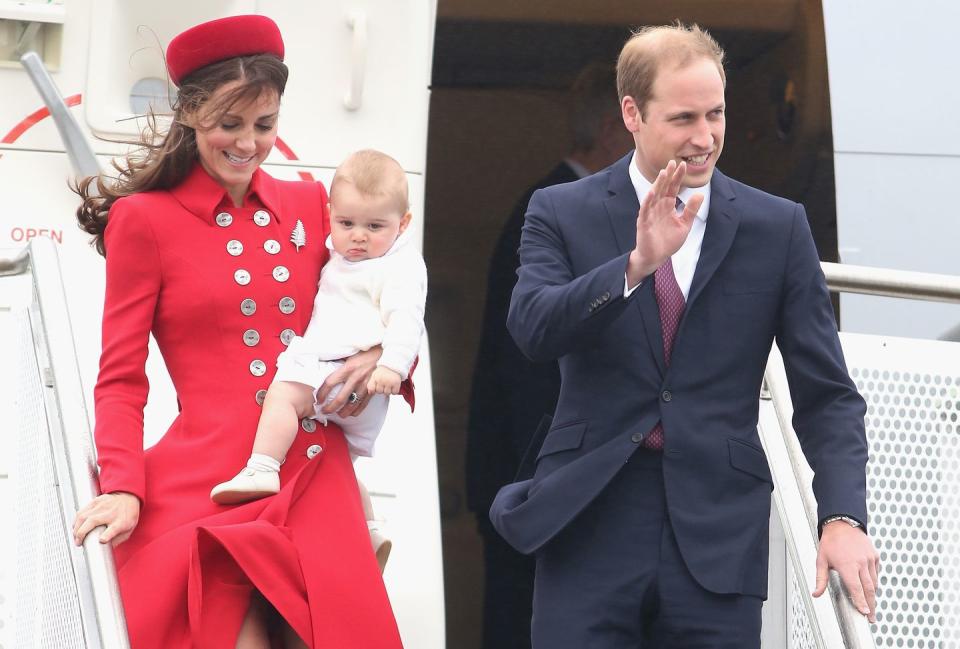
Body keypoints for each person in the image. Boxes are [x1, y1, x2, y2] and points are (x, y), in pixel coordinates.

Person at [489, 23, 879, 648]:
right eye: (683, 118)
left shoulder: (776, 228)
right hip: (589, 522)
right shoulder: (562, 209)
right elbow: (532, 328)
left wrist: (841, 516)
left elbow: (827, 394)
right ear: (631, 114)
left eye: (716, 114)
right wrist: (632, 268)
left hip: (717, 536)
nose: (705, 137)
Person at [70, 15, 405, 649]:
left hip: (308, 467)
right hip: (209, 477)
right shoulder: (145, 221)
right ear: (191, 114)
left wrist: (381, 357)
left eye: (264, 124)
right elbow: (120, 377)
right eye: (229, 124)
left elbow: (383, 290)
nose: (248, 143)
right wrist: (121, 486)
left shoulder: (312, 203)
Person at [465, 61, 632, 649]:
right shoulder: (555, 210)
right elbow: (532, 359)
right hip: (532, 477)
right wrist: (557, 471)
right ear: (618, 126)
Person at [211, 149, 427, 571]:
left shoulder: (399, 267)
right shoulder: (342, 252)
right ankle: (369, 528)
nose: (359, 236)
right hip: (355, 391)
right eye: (347, 224)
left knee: (284, 395)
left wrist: (391, 367)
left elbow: (408, 319)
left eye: (375, 226)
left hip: (341, 373)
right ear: (331, 215)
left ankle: (262, 466)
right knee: (338, 460)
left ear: (403, 224)